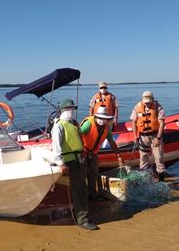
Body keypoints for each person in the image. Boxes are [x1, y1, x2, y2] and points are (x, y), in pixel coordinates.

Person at [51, 98, 99, 231]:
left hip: (79, 159)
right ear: (61, 111)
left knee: (82, 188)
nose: (70, 111)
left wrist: (82, 152)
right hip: (70, 161)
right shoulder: (59, 125)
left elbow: (77, 139)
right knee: (79, 190)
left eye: (72, 109)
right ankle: (82, 219)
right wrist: (61, 163)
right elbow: (56, 146)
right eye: (67, 109)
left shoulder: (73, 123)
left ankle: (82, 213)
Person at [79, 106, 124, 201]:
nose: (103, 121)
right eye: (101, 118)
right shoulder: (88, 124)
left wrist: (118, 156)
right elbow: (78, 135)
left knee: (94, 173)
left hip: (93, 153)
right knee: (82, 175)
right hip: (83, 152)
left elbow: (111, 142)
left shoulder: (106, 128)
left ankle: (92, 194)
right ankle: (82, 196)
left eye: (105, 119)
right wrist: (81, 150)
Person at [130, 91, 166, 180]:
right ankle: (144, 178)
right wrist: (135, 135)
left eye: (149, 102)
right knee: (143, 158)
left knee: (159, 158)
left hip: (155, 136)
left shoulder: (158, 107)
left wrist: (158, 138)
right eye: (145, 102)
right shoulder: (137, 107)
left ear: (152, 99)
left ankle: (161, 180)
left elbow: (161, 124)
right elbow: (133, 122)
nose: (147, 104)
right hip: (143, 137)